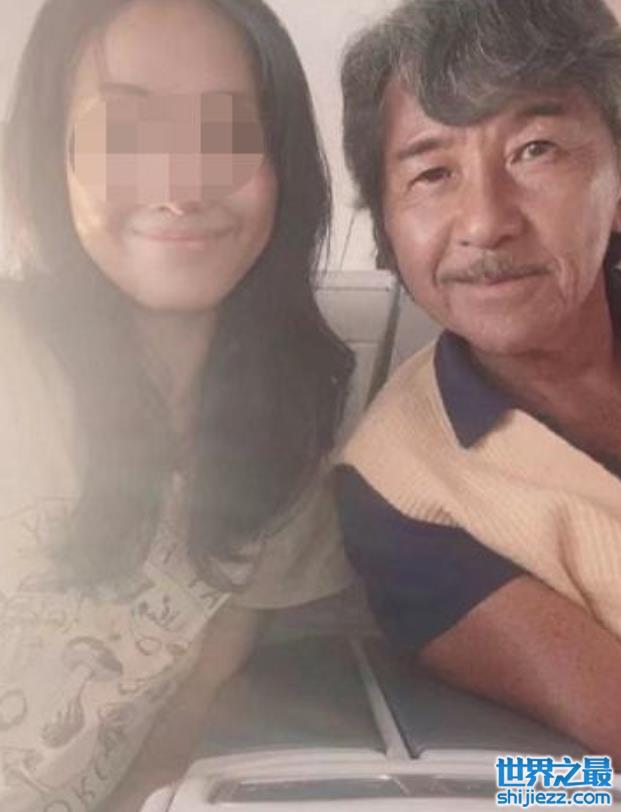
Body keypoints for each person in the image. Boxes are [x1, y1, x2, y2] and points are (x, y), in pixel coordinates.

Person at [0, 0, 355, 809]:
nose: (181, 185)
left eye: (228, 132)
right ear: (50, 158)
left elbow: (176, 728)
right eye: (123, 131)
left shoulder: (290, 440)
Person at [336, 0, 621, 766]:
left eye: (535, 150)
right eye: (431, 172)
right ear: (387, 227)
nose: (485, 221)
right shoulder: (400, 493)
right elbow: (576, 771)